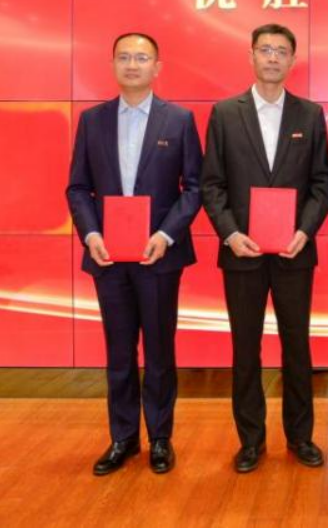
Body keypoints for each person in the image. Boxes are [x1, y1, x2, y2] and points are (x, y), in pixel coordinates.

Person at [67, 32, 203, 476]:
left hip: (158, 255)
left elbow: (195, 187)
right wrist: (91, 233)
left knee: (160, 350)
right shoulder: (92, 120)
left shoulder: (178, 120)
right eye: (124, 57)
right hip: (108, 256)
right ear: (112, 65)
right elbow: (78, 187)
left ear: (156, 67)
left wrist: (166, 234)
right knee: (119, 351)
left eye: (141, 58)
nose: (132, 64)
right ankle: (122, 438)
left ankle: (160, 437)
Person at [201, 24, 328, 474]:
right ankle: (251, 441)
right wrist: (230, 234)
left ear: (293, 60)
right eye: (265, 50)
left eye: (281, 51)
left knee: (297, 346)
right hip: (243, 253)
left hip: (295, 252)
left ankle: (301, 437)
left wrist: (306, 230)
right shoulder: (225, 113)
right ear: (251, 56)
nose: (273, 58)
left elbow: (322, 183)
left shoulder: (310, 115)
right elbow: (212, 184)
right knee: (245, 349)